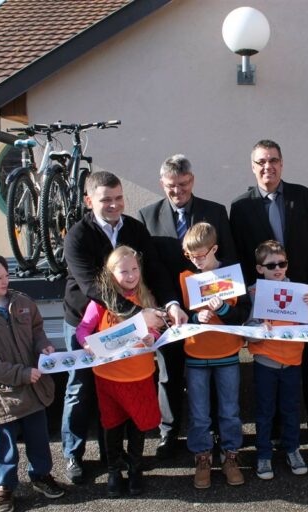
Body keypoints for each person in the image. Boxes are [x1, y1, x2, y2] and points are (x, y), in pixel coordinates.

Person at [61, 171, 187, 484]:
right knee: (81, 388)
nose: (115, 205)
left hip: (131, 323)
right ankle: (73, 455)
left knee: (125, 389)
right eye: (106, 200)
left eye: (119, 198)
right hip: (86, 323)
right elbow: (92, 287)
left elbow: (155, 269)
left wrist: (171, 304)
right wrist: (138, 315)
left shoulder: (134, 228)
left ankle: (120, 460)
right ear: (89, 201)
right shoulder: (77, 235)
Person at [230, 139, 308, 442]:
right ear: (252, 166)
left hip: (300, 297)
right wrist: (251, 294)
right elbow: (239, 254)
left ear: (282, 163)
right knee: (269, 365)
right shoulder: (240, 206)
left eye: (273, 160)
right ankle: (273, 430)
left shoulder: (304, 197)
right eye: (261, 161)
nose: (267, 166)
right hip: (265, 301)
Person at [138, 154, 237, 458]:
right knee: (169, 374)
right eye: (171, 186)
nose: (177, 191)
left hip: (209, 309)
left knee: (209, 376)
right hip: (171, 310)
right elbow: (150, 267)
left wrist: (217, 303)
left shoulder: (215, 212)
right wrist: (167, 304)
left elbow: (229, 259)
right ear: (162, 184)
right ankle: (169, 433)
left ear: (192, 180)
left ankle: (219, 434)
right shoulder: (147, 216)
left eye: (183, 184)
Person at [0, 253, 65, 512]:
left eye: (7, 276)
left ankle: (41, 475)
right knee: (4, 444)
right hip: (1, 395)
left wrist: (44, 347)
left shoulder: (22, 302)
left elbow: (37, 330)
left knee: (38, 437)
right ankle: (4, 487)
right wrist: (21, 374)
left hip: (33, 387)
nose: (6, 281)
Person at [76, 246, 162, 497]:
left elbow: (157, 329)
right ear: (111, 274)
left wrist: (151, 337)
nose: (131, 275)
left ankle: (135, 468)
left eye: (135, 269)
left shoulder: (146, 299)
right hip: (108, 378)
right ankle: (114, 470)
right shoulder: (101, 302)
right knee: (111, 425)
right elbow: (82, 329)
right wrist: (85, 343)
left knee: (138, 425)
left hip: (140, 375)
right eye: (124, 271)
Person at [178, 222, 250, 489]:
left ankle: (231, 456)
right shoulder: (185, 277)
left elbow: (242, 313)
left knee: (230, 411)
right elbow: (179, 317)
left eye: (201, 255)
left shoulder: (232, 276)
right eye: (191, 256)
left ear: (215, 248)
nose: (196, 261)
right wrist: (197, 317)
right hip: (195, 353)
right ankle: (203, 457)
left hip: (227, 352)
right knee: (199, 414)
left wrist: (224, 311)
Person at [245, 240, 308, 480]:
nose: (278, 268)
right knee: (265, 411)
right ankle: (264, 454)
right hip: (266, 360)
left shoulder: (298, 291)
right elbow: (244, 325)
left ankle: (292, 449)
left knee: (291, 409)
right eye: (271, 264)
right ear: (259, 268)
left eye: (282, 263)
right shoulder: (254, 292)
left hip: (292, 361)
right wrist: (257, 325)